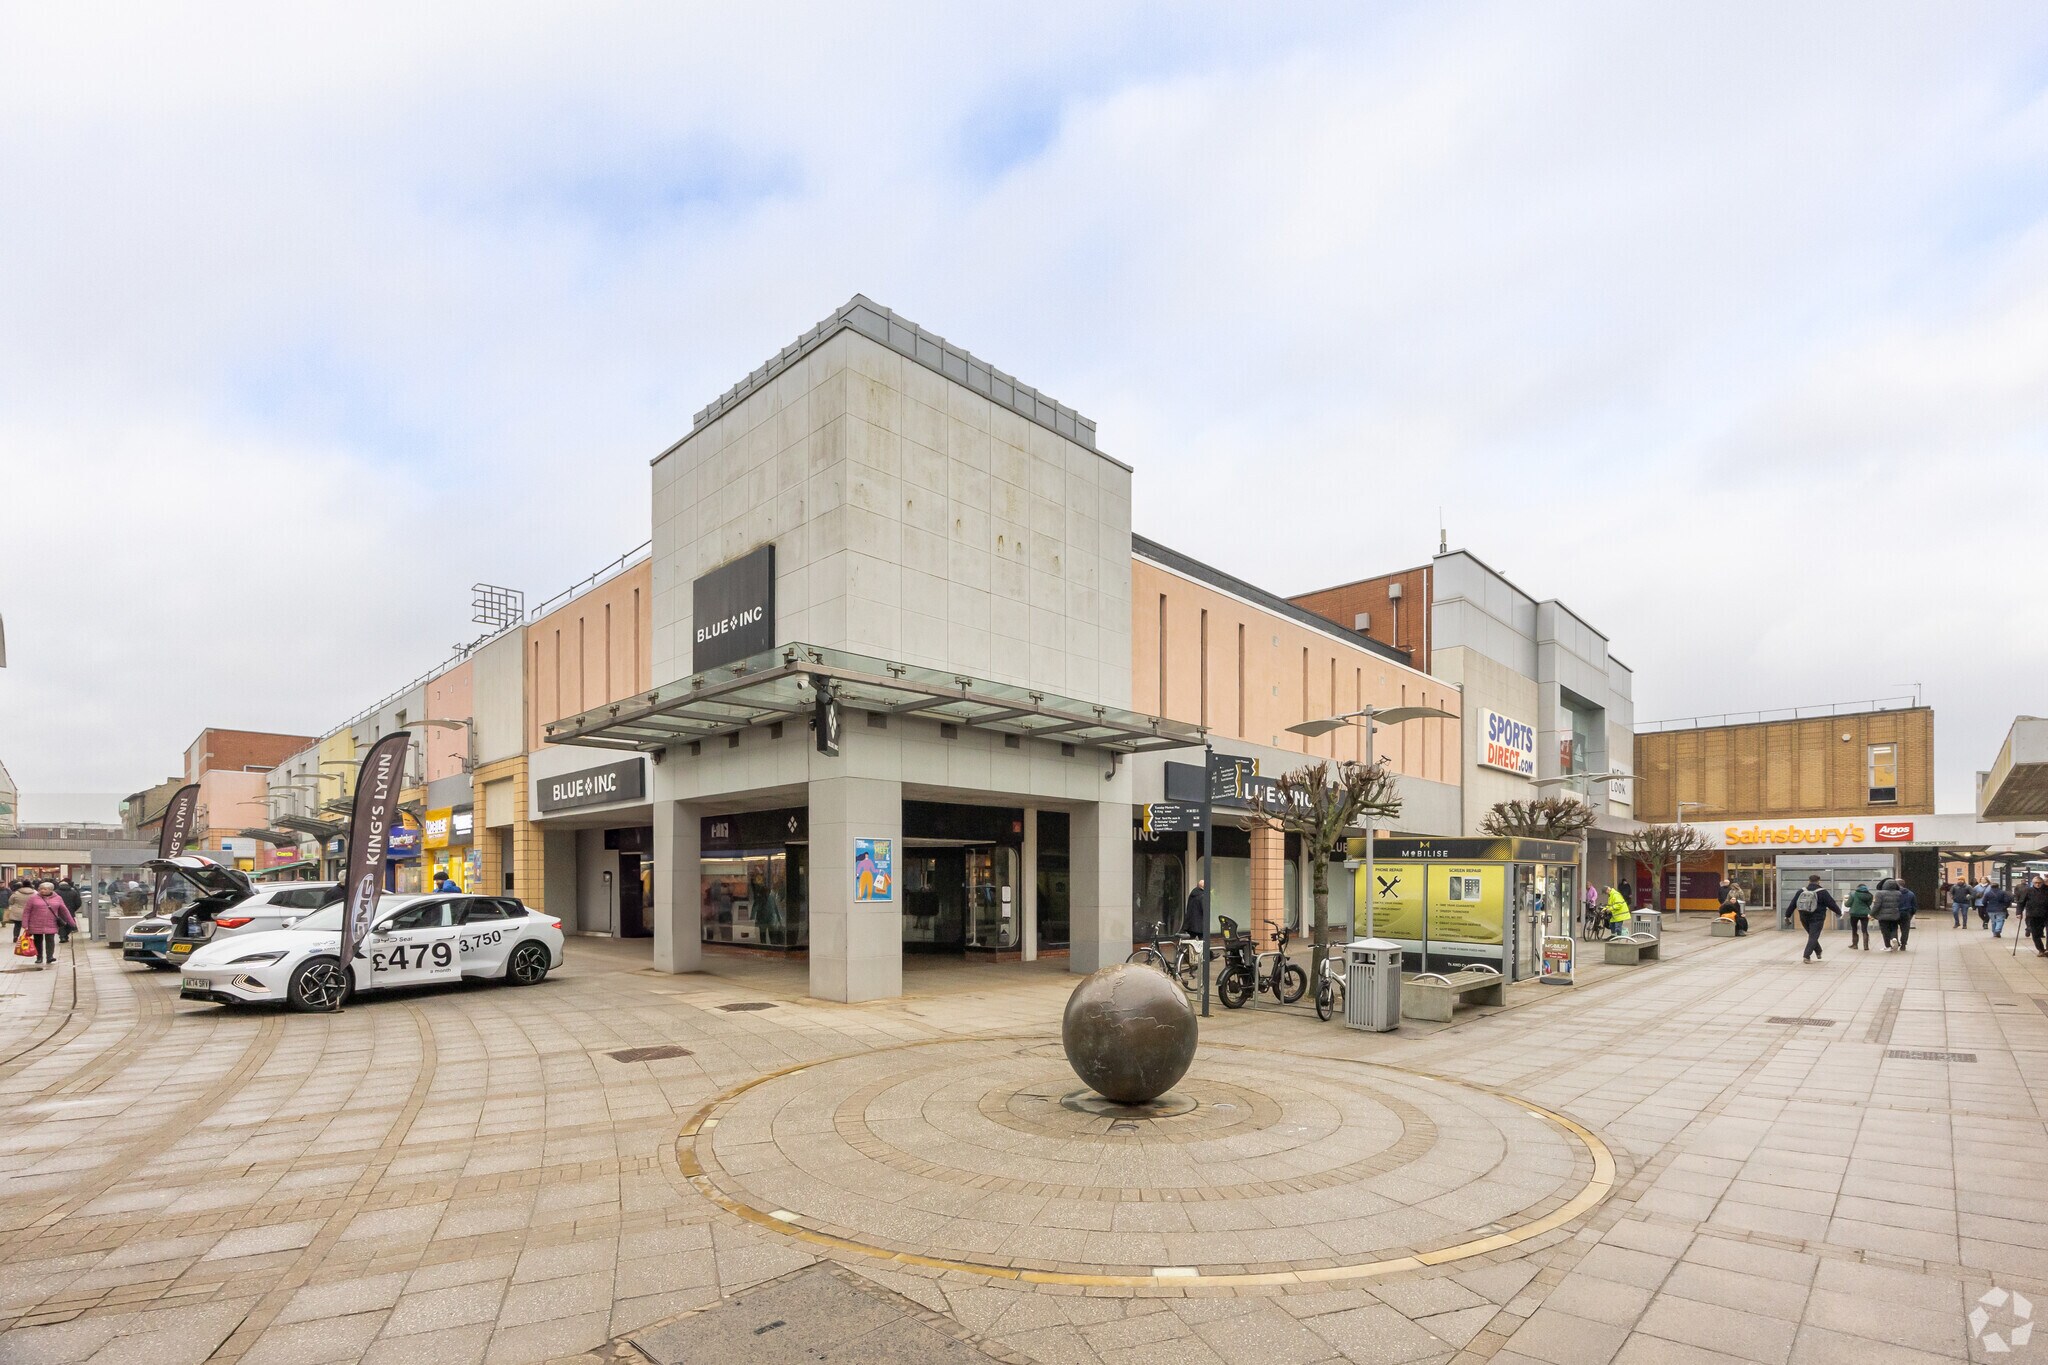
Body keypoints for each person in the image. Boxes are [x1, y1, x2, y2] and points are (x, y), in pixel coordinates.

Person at [21, 882, 73, 968]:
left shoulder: (58, 898)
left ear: (51, 890)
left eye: (45, 889)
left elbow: (64, 911)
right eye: (41, 889)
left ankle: (50, 957)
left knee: (50, 940)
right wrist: (25, 924)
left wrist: (71, 922)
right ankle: (39, 957)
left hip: (51, 922)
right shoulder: (33, 898)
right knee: (38, 940)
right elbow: (27, 911)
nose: (42, 891)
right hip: (35, 922)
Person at [1790, 875, 1839, 962]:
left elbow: (1793, 903)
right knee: (1813, 936)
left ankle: (1818, 951)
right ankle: (1806, 956)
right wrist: (1838, 912)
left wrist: (1787, 915)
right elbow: (1831, 903)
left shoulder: (1801, 891)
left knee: (1812, 936)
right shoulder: (1822, 892)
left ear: (1809, 881)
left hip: (1804, 917)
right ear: (1819, 881)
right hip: (1818, 918)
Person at [2020, 875, 2048, 957]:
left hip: (2046, 914)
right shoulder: (2028, 890)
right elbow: (2021, 902)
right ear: (2033, 883)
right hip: (2033, 915)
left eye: (2039, 883)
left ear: (2042, 883)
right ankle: (2041, 949)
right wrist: (2019, 912)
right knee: (2035, 933)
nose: (2038, 884)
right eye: (2036, 883)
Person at [1873, 878, 1904, 950]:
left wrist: (1872, 914)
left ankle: (1888, 946)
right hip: (1895, 915)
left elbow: (1877, 905)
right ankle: (1894, 939)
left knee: (1885, 931)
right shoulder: (1898, 893)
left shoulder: (1880, 893)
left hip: (1883, 916)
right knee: (1894, 928)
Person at [1846, 883, 1873, 950]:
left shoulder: (1853, 894)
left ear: (1858, 888)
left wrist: (1845, 902)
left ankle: (1855, 945)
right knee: (1864, 930)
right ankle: (1866, 946)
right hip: (1865, 914)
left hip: (1854, 913)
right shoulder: (1870, 895)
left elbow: (1848, 904)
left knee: (1854, 929)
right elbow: (1869, 904)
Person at [1181, 878, 1209, 942]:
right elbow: (1204, 910)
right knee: (1203, 942)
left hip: (1190, 924)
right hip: (1200, 925)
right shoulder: (1203, 895)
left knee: (1191, 941)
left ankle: (1189, 951)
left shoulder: (1192, 894)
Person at [1896, 880, 1919, 950]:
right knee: (1905, 930)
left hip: (1895, 913)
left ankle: (1895, 940)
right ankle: (1903, 944)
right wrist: (1911, 914)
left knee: (1893, 927)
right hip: (1906, 913)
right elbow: (1914, 906)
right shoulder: (1911, 893)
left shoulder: (1894, 893)